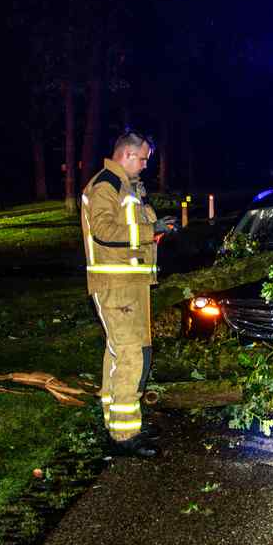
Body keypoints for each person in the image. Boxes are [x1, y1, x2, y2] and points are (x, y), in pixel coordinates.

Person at [80, 132, 178, 458]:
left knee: (122, 355)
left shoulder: (128, 187)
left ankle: (119, 425)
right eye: (143, 158)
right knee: (132, 356)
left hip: (131, 283)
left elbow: (136, 229)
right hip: (115, 285)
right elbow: (105, 231)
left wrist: (157, 229)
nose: (146, 165)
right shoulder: (106, 185)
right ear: (125, 154)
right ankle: (125, 436)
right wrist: (151, 231)